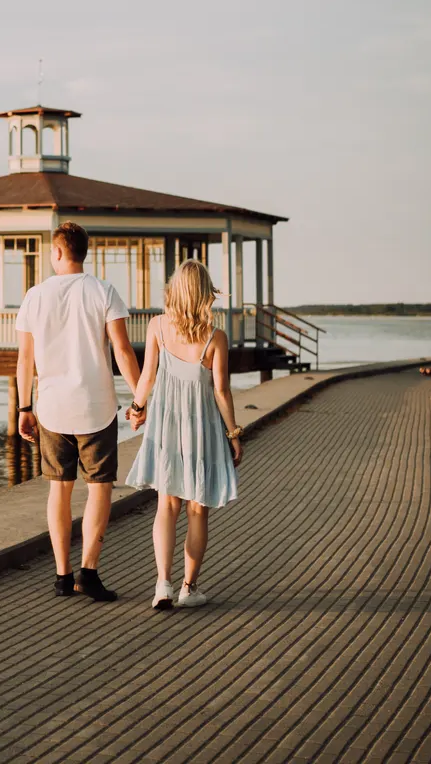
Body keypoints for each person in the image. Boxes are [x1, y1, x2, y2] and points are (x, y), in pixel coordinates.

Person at [16, 221, 142, 602]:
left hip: (52, 408)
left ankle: (60, 575)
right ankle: (88, 572)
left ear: (57, 252)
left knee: (59, 490)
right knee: (99, 488)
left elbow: (25, 358)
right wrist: (142, 398)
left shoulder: (34, 296)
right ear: (84, 252)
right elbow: (122, 350)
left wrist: (24, 407)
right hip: (96, 408)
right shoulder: (103, 291)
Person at [125, 258, 242, 611]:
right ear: (205, 294)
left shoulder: (158, 326)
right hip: (202, 427)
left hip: (166, 424)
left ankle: (162, 584)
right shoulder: (215, 338)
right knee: (197, 509)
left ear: (175, 291)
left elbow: (146, 377)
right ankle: (189, 588)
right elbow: (221, 391)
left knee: (166, 504)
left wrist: (137, 407)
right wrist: (233, 432)